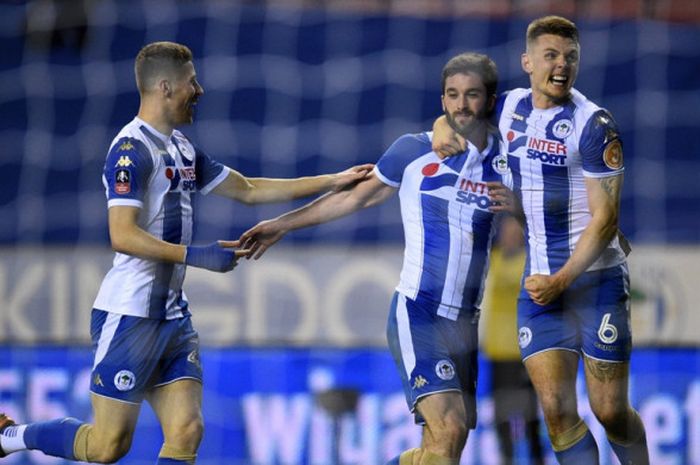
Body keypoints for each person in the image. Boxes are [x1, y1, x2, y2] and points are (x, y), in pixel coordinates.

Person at [0, 41, 371, 464]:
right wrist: (195, 255)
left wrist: (333, 180)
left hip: (173, 317)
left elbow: (248, 189)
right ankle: (10, 435)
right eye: (192, 81)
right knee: (107, 447)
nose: (200, 89)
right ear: (165, 87)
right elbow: (122, 235)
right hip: (131, 315)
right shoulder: (130, 151)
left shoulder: (181, 148)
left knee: (188, 431)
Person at [240, 52, 508, 465]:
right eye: (452, 95)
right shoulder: (414, 151)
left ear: (489, 101)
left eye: (472, 95)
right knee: (449, 428)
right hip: (419, 312)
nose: (460, 105)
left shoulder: (506, 162)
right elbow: (353, 197)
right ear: (442, 100)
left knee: (443, 450)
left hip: (466, 324)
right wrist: (282, 224)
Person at [432, 16, 649, 465]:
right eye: (551, 56)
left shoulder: (594, 126)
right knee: (555, 411)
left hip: (595, 281)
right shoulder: (509, 106)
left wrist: (562, 279)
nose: (562, 66)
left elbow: (605, 220)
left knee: (608, 410)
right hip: (541, 285)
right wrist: (440, 127)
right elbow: (461, 111)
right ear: (527, 62)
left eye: (571, 57)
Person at [481, 215, 544, 465]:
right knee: (501, 416)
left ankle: (538, 460)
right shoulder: (491, 261)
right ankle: (505, 460)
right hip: (497, 354)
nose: (510, 236)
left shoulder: (529, 264)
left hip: (525, 354)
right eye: (506, 232)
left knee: (531, 417)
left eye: (514, 232)